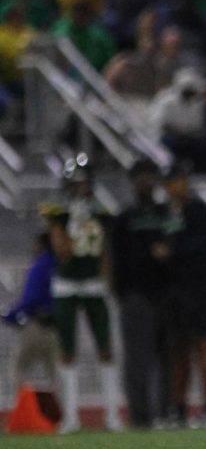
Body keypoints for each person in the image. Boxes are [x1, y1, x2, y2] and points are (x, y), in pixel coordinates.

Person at [43, 156, 123, 432]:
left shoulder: (101, 213)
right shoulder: (58, 214)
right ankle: (71, 416)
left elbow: (105, 254)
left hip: (93, 284)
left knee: (105, 347)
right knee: (67, 351)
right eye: (74, 183)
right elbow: (62, 253)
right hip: (67, 285)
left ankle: (112, 414)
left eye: (82, 183)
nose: (78, 188)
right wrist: (73, 227)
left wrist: (109, 283)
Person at [109, 158, 172, 429]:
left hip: (167, 295)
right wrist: (121, 293)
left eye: (150, 175)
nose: (145, 181)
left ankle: (166, 412)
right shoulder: (124, 218)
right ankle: (140, 415)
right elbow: (113, 259)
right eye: (140, 176)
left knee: (167, 357)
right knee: (137, 359)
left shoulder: (166, 214)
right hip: (135, 296)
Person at [162, 162, 206, 428]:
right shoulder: (164, 213)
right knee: (178, 350)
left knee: (203, 346)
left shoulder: (197, 210)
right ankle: (179, 407)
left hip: (199, 288)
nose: (176, 186)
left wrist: (173, 250)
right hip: (175, 290)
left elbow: (204, 246)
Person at [2, 231, 58, 394]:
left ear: (41, 245)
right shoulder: (62, 265)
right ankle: (64, 413)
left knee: (20, 369)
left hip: (36, 325)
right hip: (58, 327)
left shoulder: (39, 265)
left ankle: (24, 411)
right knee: (57, 373)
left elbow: (31, 299)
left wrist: (10, 316)